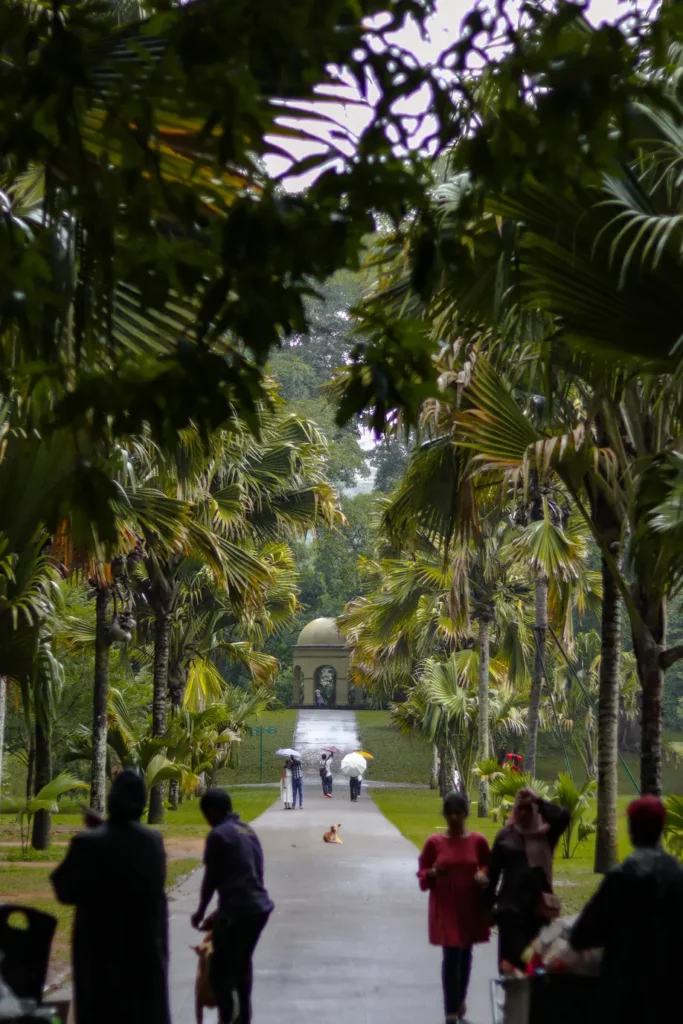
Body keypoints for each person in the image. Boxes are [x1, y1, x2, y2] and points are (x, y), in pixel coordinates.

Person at [51, 770, 170, 1024]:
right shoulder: (153, 842)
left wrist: (98, 831)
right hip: (144, 951)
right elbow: (126, 847)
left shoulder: (87, 843)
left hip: (100, 955)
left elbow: (64, 890)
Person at [570, 795, 683, 1024]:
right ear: (661, 828)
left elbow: (582, 935)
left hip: (625, 996)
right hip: (670, 996)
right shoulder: (677, 875)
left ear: (631, 830)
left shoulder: (621, 877)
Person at [191, 788, 273, 1024]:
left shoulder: (218, 835)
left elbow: (211, 879)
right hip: (258, 908)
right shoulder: (247, 830)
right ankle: (243, 1018)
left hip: (239, 909)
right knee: (242, 965)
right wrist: (219, 913)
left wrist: (200, 912)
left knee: (221, 971)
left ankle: (228, 1017)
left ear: (212, 811)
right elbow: (254, 873)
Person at [418, 791, 491, 1024]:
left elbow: (488, 865)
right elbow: (423, 869)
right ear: (445, 815)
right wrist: (431, 874)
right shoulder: (435, 842)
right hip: (446, 905)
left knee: (466, 955)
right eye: (450, 813)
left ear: (466, 814)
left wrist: (482, 874)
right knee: (451, 955)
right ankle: (450, 1009)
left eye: (459, 813)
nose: (455, 818)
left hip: (470, 906)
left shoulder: (478, 841)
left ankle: (460, 998)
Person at [486, 787, 569, 971]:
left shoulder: (546, 834)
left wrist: (539, 801)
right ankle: (510, 999)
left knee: (535, 966)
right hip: (510, 912)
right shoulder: (505, 836)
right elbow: (493, 876)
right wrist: (486, 909)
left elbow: (564, 816)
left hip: (539, 912)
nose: (523, 812)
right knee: (511, 967)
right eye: (520, 807)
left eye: (528, 808)